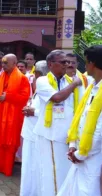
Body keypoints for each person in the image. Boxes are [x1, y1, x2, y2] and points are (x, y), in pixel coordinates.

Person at [33, 50, 83, 196]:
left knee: (65, 172)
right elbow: (57, 97)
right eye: (62, 62)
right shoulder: (42, 81)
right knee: (51, 173)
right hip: (50, 135)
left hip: (68, 136)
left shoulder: (70, 81)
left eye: (68, 62)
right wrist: (74, 84)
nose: (66, 64)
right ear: (50, 64)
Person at [57, 46, 102, 196]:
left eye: (86, 61)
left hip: (94, 157)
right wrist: (73, 144)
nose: (85, 65)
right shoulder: (92, 87)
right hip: (81, 152)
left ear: (92, 64)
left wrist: (81, 154)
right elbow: (81, 117)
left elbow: (99, 131)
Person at [0, 54, 30, 176]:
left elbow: (25, 97)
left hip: (12, 118)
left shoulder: (22, 79)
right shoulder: (1, 77)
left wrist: (8, 97)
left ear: (14, 63)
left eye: (5, 63)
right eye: (2, 63)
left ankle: (7, 169)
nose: (2, 65)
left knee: (10, 144)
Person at [19, 60, 49, 195]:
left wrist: (34, 112)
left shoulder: (46, 86)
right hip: (30, 133)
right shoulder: (39, 86)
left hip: (37, 135)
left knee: (35, 167)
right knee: (29, 167)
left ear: (37, 73)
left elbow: (53, 111)